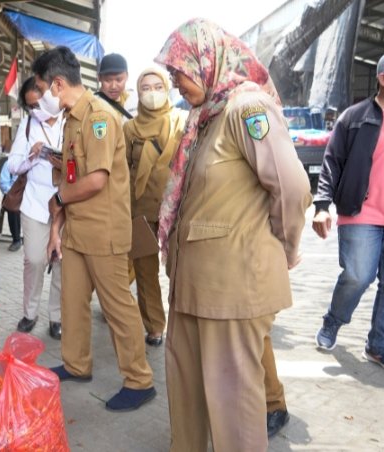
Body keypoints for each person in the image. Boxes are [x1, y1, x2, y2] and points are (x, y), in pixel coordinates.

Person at [156, 19, 311, 451]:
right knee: (185, 398)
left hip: (233, 287)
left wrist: (284, 246)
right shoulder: (206, 118)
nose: (173, 82)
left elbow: (293, 187)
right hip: (192, 287)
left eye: (177, 70)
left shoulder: (247, 108)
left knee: (234, 412)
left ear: (205, 61)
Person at [33, 46, 156, 412]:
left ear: (57, 84)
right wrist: (57, 229)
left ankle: (139, 380)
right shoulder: (72, 118)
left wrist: (59, 199)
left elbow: (96, 180)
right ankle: (76, 364)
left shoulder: (99, 116)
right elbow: (69, 176)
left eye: (41, 90)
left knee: (118, 307)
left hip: (104, 231)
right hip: (76, 232)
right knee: (72, 301)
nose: (40, 98)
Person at [312, 54, 384, 369]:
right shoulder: (355, 117)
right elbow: (332, 162)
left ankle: (378, 345)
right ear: (382, 77)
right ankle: (333, 321)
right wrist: (322, 205)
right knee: (358, 275)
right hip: (361, 212)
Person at [123, 67, 188, 347]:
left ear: (167, 88)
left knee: (181, 271)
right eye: (145, 88)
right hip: (139, 210)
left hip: (177, 211)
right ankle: (154, 327)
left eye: (157, 86)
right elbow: (123, 171)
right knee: (146, 274)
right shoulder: (130, 128)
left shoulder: (183, 121)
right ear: (138, 93)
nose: (152, 93)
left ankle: (185, 327)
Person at [8, 76, 64, 340]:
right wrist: (34, 154)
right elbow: (13, 165)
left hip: (67, 204)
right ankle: (30, 313)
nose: (36, 110)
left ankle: (57, 316)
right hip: (35, 203)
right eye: (31, 106)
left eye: (39, 103)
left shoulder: (71, 118)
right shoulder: (28, 125)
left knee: (62, 261)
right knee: (34, 259)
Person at [96, 53, 138, 120]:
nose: (113, 86)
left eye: (119, 80)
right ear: (99, 78)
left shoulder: (136, 99)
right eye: (108, 80)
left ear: (127, 76)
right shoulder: (92, 104)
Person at [0, 158, 22, 252]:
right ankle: (16, 239)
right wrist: (13, 193)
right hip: (13, 193)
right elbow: (4, 184)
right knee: (13, 208)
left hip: (28, 193)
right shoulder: (9, 164)